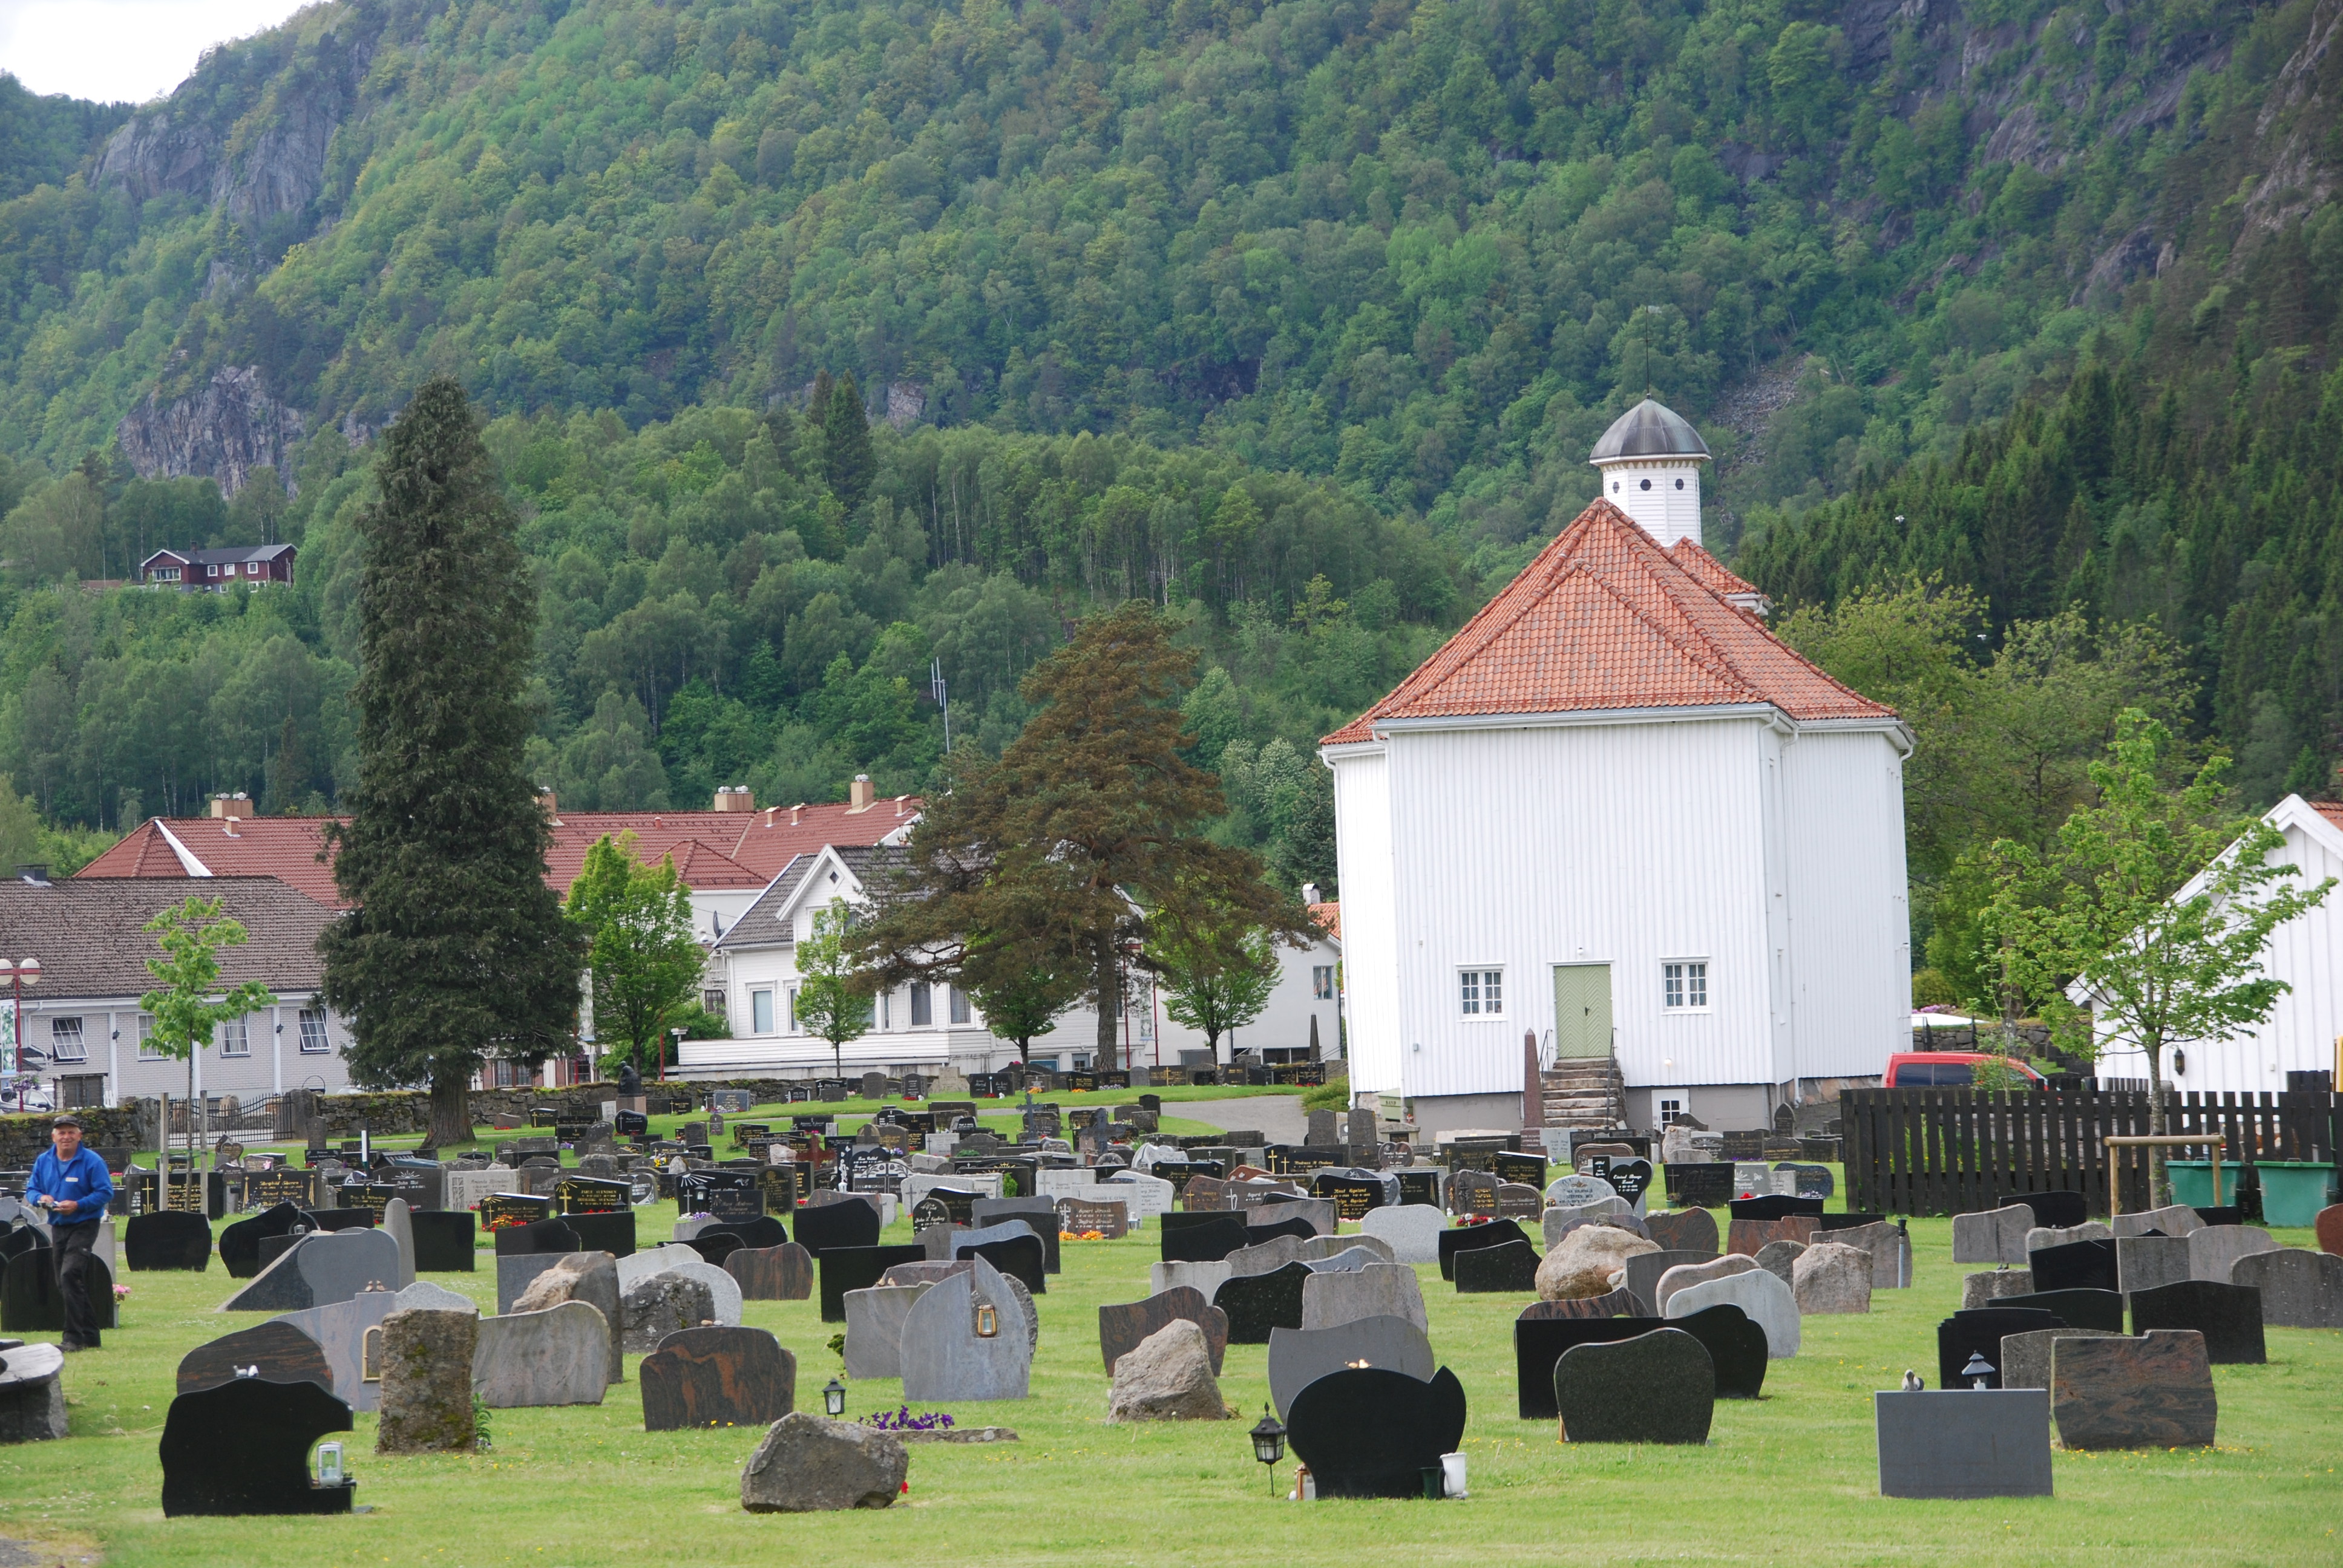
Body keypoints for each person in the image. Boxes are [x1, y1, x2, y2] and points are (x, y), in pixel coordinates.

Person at [25, 1114, 113, 1351]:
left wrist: (78, 1205)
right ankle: (92, 1337)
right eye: (61, 1132)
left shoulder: (92, 1162)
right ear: (53, 1136)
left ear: (79, 1136)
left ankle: (73, 1339)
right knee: (65, 1282)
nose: (66, 1136)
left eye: (71, 1132)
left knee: (69, 1275)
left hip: (84, 1224)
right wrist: (41, 1199)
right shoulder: (44, 1161)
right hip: (58, 1225)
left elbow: (105, 1193)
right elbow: (32, 1189)